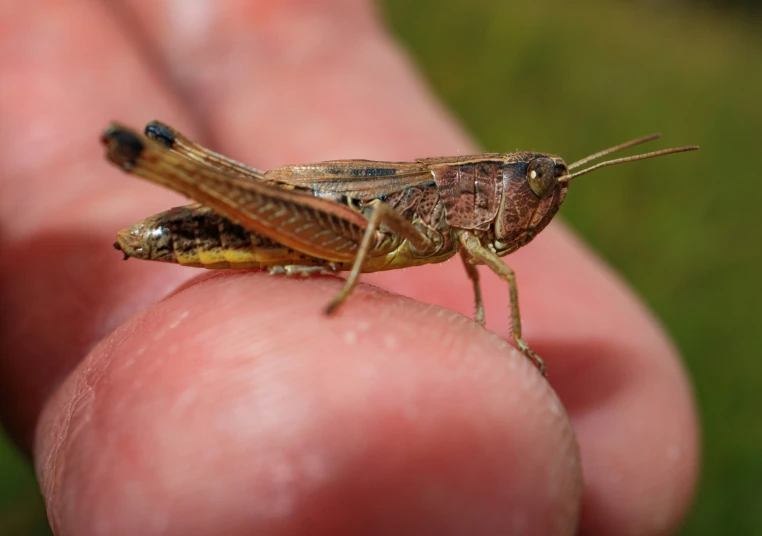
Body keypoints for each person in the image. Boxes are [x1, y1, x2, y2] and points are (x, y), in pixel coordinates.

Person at [0, 2, 698, 534]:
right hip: (282, 214)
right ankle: (171, 168)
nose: (540, 199)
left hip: (317, 229)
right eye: (536, 184)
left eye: (542, 189)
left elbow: (486, 267)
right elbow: (474, 263)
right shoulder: (441, 203)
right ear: (493, 181)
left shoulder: (471, 233)